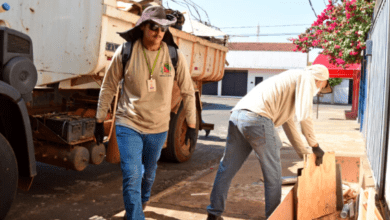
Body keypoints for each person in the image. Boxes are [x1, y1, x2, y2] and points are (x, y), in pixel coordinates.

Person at [94, 6, 197, 220]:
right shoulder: (126, 52)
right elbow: (108, 87)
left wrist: (193, 127)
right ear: (142, 27)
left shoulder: (174, 56)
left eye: (163, 29)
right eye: (153, 27)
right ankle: (135, 216)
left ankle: (141, 203)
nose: (158, 33)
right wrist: (99, 119)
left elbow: (188, 92)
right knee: (131, 175)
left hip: (159, 128)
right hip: (128, 123)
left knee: (148, 175)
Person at [206, 64, 330, 220]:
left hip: (238, 115)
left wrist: (305, 155)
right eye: (324, 84)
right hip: (258, 118)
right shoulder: (307, 79)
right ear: (320, 80)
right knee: (273, 174)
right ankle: (274, 217)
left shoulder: (290, 79)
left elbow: (289, 124)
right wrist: (315, 145)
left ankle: (213, 214)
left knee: (227, 168)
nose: (321, 89)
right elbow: (305, 116)